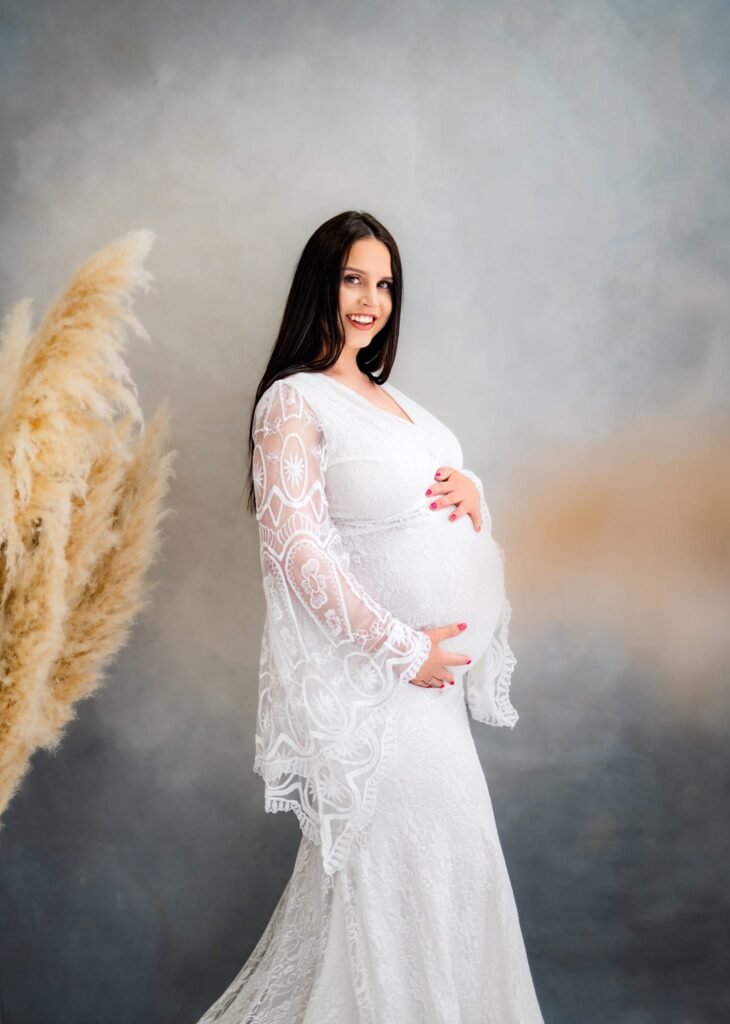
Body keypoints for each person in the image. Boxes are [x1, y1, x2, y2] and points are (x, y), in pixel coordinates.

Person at [195, 210, 545, 1023]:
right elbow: (298, 551)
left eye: (384, 283)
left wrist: (474, 495)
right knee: (397, 900)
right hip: (382, 700)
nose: (371, 299)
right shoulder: (293, 401)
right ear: (321, 281)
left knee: (456, 887)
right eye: (354, 277)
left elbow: (431, 516)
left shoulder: (398, 406)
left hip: (436, 704)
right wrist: (399, 648)